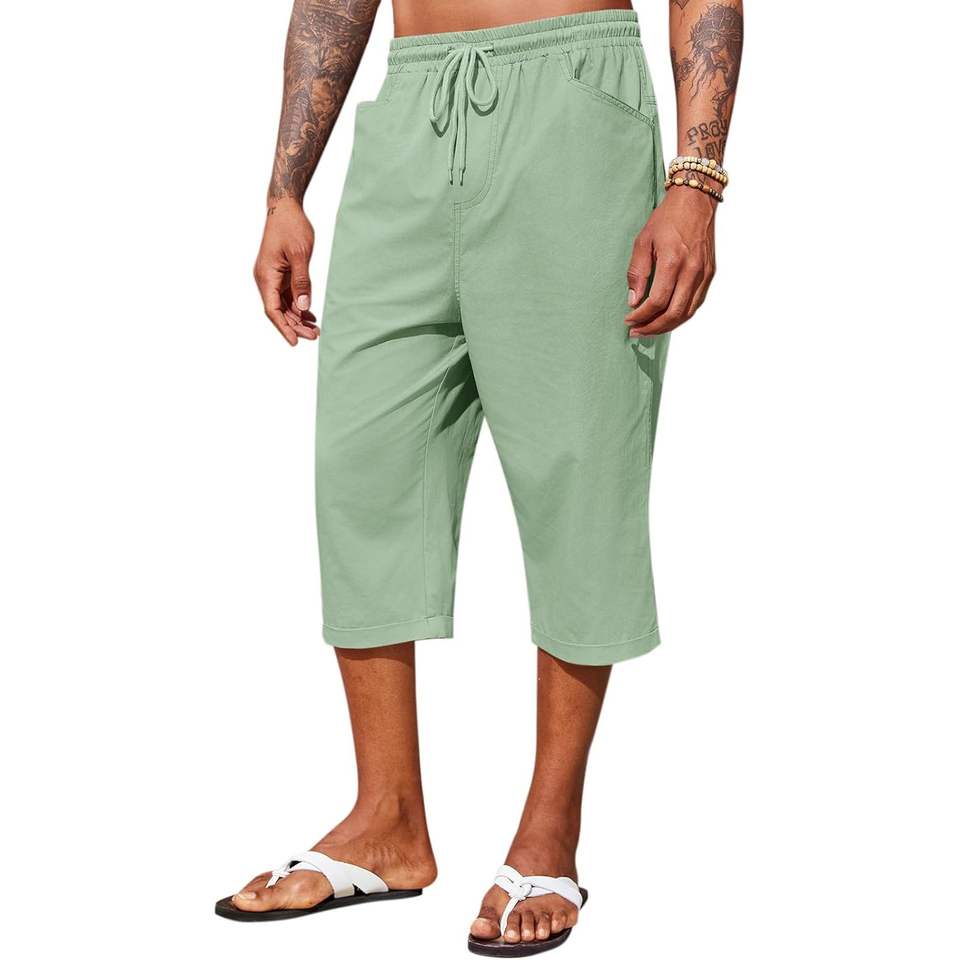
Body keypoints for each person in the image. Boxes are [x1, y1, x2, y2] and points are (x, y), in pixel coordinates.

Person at [217, 0, 742, 953]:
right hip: (409, 109)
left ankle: (550, 830)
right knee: (363, 469)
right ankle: (387, 821)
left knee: (579, 472)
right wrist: (284, 189)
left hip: (573, 98)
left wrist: (695, 180)